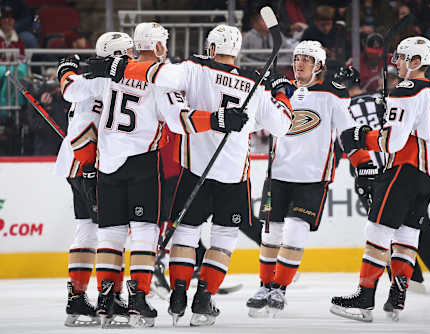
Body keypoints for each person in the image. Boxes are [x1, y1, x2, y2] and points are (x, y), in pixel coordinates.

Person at [85, 23, 294, 327]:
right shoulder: (253, 84)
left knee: (185, 233)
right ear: (235, 52)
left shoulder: (192, 68)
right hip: (233, 175)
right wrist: (281, 92)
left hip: (192, 171)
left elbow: (155, 73)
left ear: (210, 49)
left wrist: (118, 66)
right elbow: (282, 126)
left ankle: (178, 294)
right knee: (223, 238)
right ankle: (204, 298)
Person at [58, 22, 249, 328]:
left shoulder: (110, 72)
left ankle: (107, 299)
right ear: (160, 47)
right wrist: (217, 118)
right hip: (142, 165)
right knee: (145, 233)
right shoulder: (159, 81)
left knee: (111, 234)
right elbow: (180, 121)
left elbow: (71, 91)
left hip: (106, 164)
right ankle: (138, 300)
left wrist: (65, 70)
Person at [246, 41, 376, 318]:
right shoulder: (282, 93)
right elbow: (256, 123)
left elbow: (348, 133)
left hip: (313, 179)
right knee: (270, 235)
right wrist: (258, 93)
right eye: (296, 58)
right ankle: (264, 285)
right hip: (278, 175)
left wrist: (363, 164)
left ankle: (279, 287)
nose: (299, 63)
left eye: (306, 59)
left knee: (294, 232)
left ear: (319, 66)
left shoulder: (332, 95)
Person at [331, 36, 430, 322]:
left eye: (400, 57)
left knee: (378, 231)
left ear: (415, 62)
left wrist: (362, 136)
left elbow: (392, 142)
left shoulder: (405, 90)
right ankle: (398, 296)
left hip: (404, 171)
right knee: (407, 234)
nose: (394, 62)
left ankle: (364, 297)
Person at [55, 31, 134, 327]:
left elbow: (68, 88)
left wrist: (66, 70)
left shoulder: (90, 79)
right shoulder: (106, 81)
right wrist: (90, 166)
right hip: (91, 164)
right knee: (111, 231)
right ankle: (108, 294)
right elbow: (87, 126)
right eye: (127, 52)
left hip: (75, 163)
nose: (131, 57)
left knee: (86, 229)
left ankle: (77, 297)